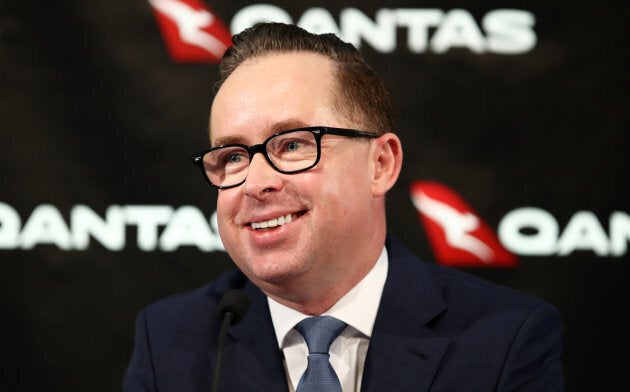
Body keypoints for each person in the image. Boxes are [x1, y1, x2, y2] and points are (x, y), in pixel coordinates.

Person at [123, 22, 564, 391]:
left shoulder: (504, 339)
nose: (255, 183)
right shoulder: (170, 342)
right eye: (234, 156)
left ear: (381, 164)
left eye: (293, 144)